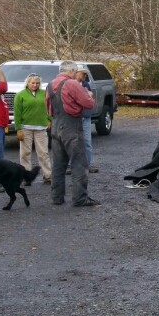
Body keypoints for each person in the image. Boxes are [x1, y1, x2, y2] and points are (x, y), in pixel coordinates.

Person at [46, 61, 100, 207]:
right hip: (71, 125)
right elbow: (88, 103)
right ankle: (79, 198)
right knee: (78, 163)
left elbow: (49, 109)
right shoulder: (72, 84)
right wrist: (89, 95)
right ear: (71, 71)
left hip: (56, 126)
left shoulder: (50, 85)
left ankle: (57, 197)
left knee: (58, 164)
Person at [13, 73, 52, 184]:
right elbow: (17, 112)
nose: (35, 85)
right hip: (26, 127)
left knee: (43, 152)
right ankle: (26, 177)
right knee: (25, 153)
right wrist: (18, 128)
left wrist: (49, 118)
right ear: (28, 83)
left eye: (37, 83)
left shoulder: (44, 93)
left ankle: (47, 176)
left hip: (40, 127)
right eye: (33, 83)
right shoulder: (20, 95)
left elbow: (49, 106)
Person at [74, 64, 98, 173]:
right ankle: (71, 165)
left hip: (85, 117)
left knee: (87, 142)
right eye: (82, 73)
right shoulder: (70, 85)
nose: (84, 75)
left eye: (85, 73)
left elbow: (89, 98)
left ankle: (87, 164)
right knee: (73, 142)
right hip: (73, 117)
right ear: (75, 72)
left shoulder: (86, 85)